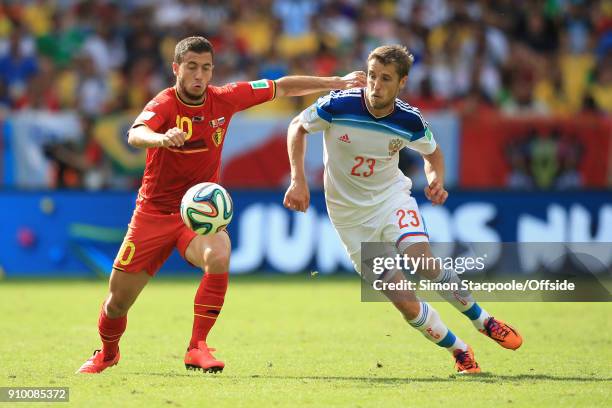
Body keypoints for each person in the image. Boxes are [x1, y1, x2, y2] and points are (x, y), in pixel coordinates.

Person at [77, 36, 366, 374]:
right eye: (192, 68)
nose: (199, 75)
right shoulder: (165, 103)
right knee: (117, 302)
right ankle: (107, 353)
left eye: (206, 68)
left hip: (196, 215)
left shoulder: (225, 99)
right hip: (153, 214)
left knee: (219, 253)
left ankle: (197, 346)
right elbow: (136, 133)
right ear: (176, 69)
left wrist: (336, 82)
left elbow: (281, 87)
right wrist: (161, 138)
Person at [283, 45, 522, 374]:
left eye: (385, 78)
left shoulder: (408, 120)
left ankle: (484, 321)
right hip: (350, 220)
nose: (375, 85)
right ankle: (459, 350)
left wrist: (436, 179)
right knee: (405, 302)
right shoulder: (338, 105)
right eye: (371, 76)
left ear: (402, 83)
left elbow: (433, 154)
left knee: (423, 261)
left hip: (390, 199)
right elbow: (297, 126)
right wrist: (297, 179)